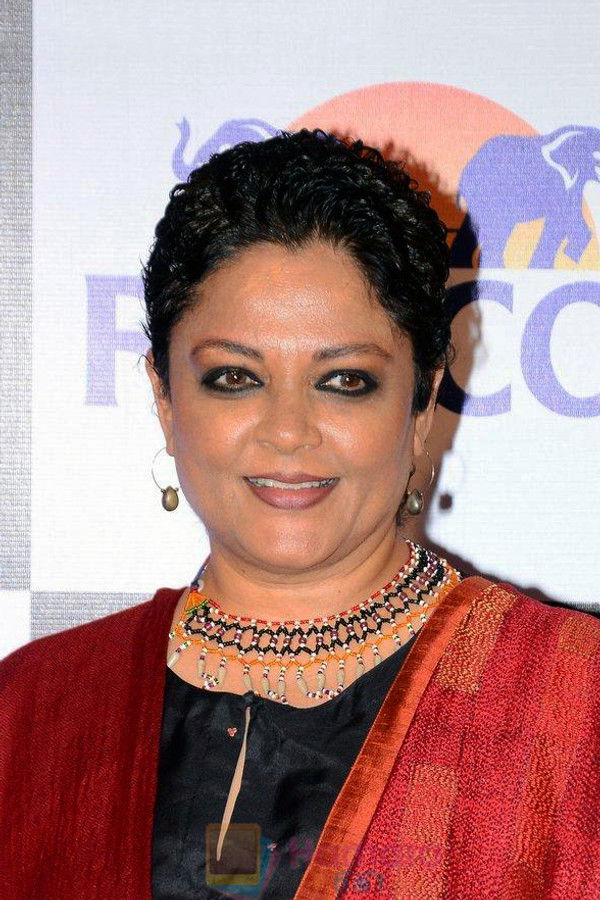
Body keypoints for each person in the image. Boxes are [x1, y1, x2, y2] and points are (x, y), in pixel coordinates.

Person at [1, 128, 599, 900]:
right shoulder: (34, 713)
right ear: (165, 399)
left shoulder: (571, 701)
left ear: (421, 405)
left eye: (344, 381)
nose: (288, 432)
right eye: (235, 377)